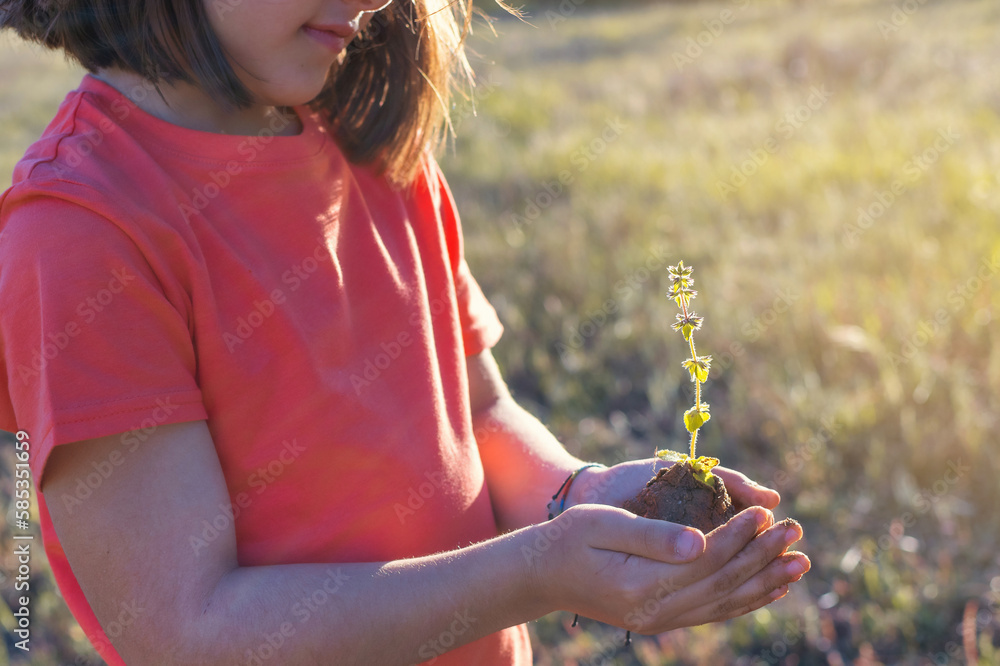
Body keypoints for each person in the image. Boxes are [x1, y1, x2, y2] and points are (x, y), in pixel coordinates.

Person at [0, 0, 810, 663]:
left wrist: (579, 497)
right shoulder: (83, 234)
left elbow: (481, 416)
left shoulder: (368, 145)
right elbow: (190, 631)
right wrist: (533, 574)